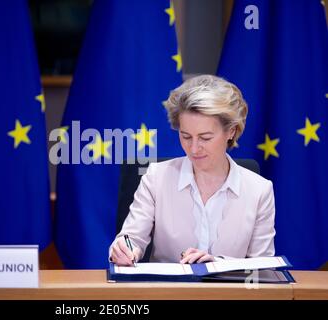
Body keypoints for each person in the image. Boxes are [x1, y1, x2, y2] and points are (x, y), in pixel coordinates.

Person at [109, 75, 276, 266]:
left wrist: (218, 264)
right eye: (186, 136)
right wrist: (125, 249)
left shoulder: (260, 190)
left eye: (205, 138)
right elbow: (132, 238)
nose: (194, 148)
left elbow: (263, 267)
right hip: (167, 294)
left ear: (231, 131)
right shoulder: (156, 177)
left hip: (231, 295)